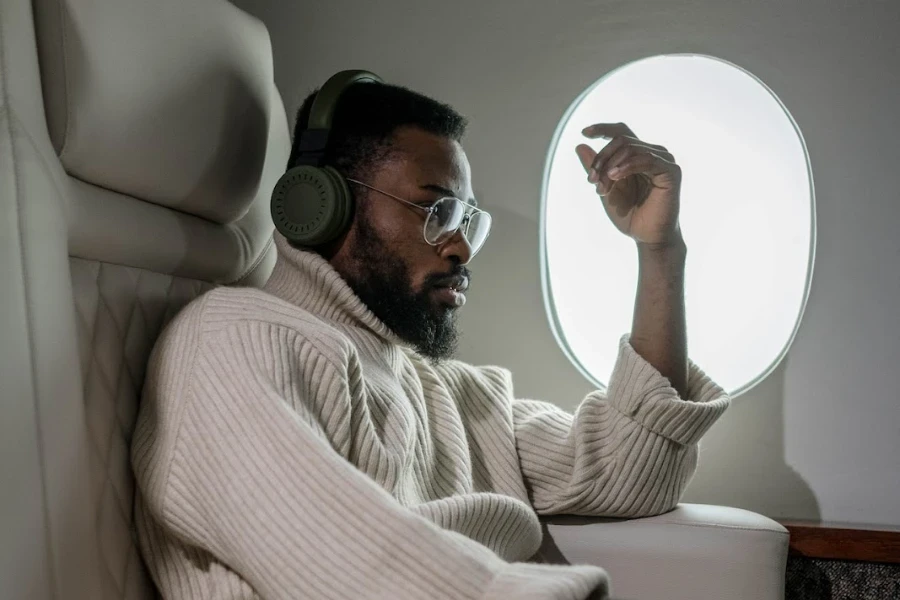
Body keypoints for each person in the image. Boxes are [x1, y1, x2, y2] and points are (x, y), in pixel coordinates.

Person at [132, 71, 730, 600]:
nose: (462, 246)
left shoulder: (444, 390)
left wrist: (660, 250)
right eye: (437, 211)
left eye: (470, 220)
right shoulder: (232, 342)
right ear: (323, 206)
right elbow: (351, 566)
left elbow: (633, 471)